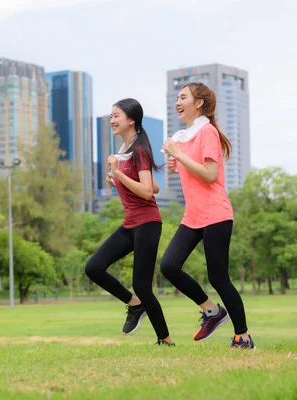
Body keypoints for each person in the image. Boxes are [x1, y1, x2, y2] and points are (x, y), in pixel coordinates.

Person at [161, 82, 255, 349]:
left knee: (218, 277)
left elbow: (211, 175)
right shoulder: (188, 135)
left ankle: (243, 337)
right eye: (176, 98)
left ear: (198, 103)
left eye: (183, 98)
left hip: (215, 213)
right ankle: (213, 311)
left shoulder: (208, 132)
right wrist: (177, 163)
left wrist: (179, 155)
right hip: (193, 215)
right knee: (169, 265)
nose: (177, 103)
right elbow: (194, 173)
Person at [85, 98, 174, 346]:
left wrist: (120, 174)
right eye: (111, 116)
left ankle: (165, 341)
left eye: (116, 116)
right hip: (129, 224)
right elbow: (154, 186)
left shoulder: (140, 150)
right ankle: (134, 305)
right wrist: (120, 179)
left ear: (131, 120)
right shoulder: (126, 151)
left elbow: (147, 192)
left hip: (147, 223)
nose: (112, 120)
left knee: (142, 285)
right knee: (94, 267)